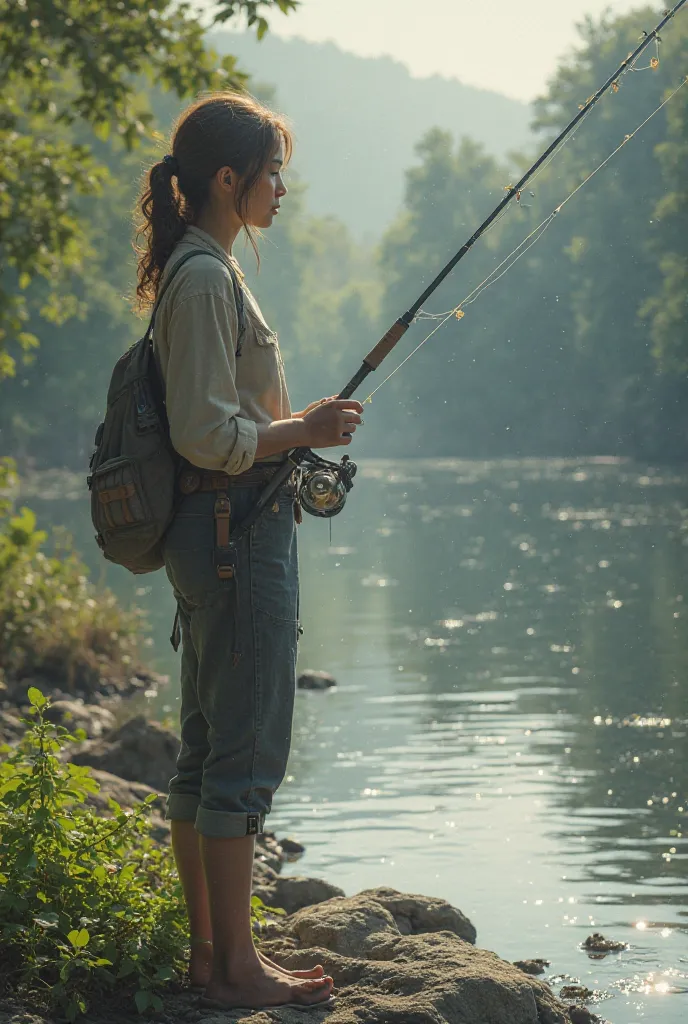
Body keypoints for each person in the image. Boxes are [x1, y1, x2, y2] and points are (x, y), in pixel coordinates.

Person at [134, 91, 363, 1012]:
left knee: (203, 753)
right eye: (272, 173)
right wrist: (299, 428)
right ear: (227, 179)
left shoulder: (205, 270)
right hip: (233, 538)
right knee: (240, 756)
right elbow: (203, 432)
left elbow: (217, 419)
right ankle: (234, 969)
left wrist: (293, 428)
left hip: (219, 532)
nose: (281, 188)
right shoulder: (202, 278)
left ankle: (213, 957)